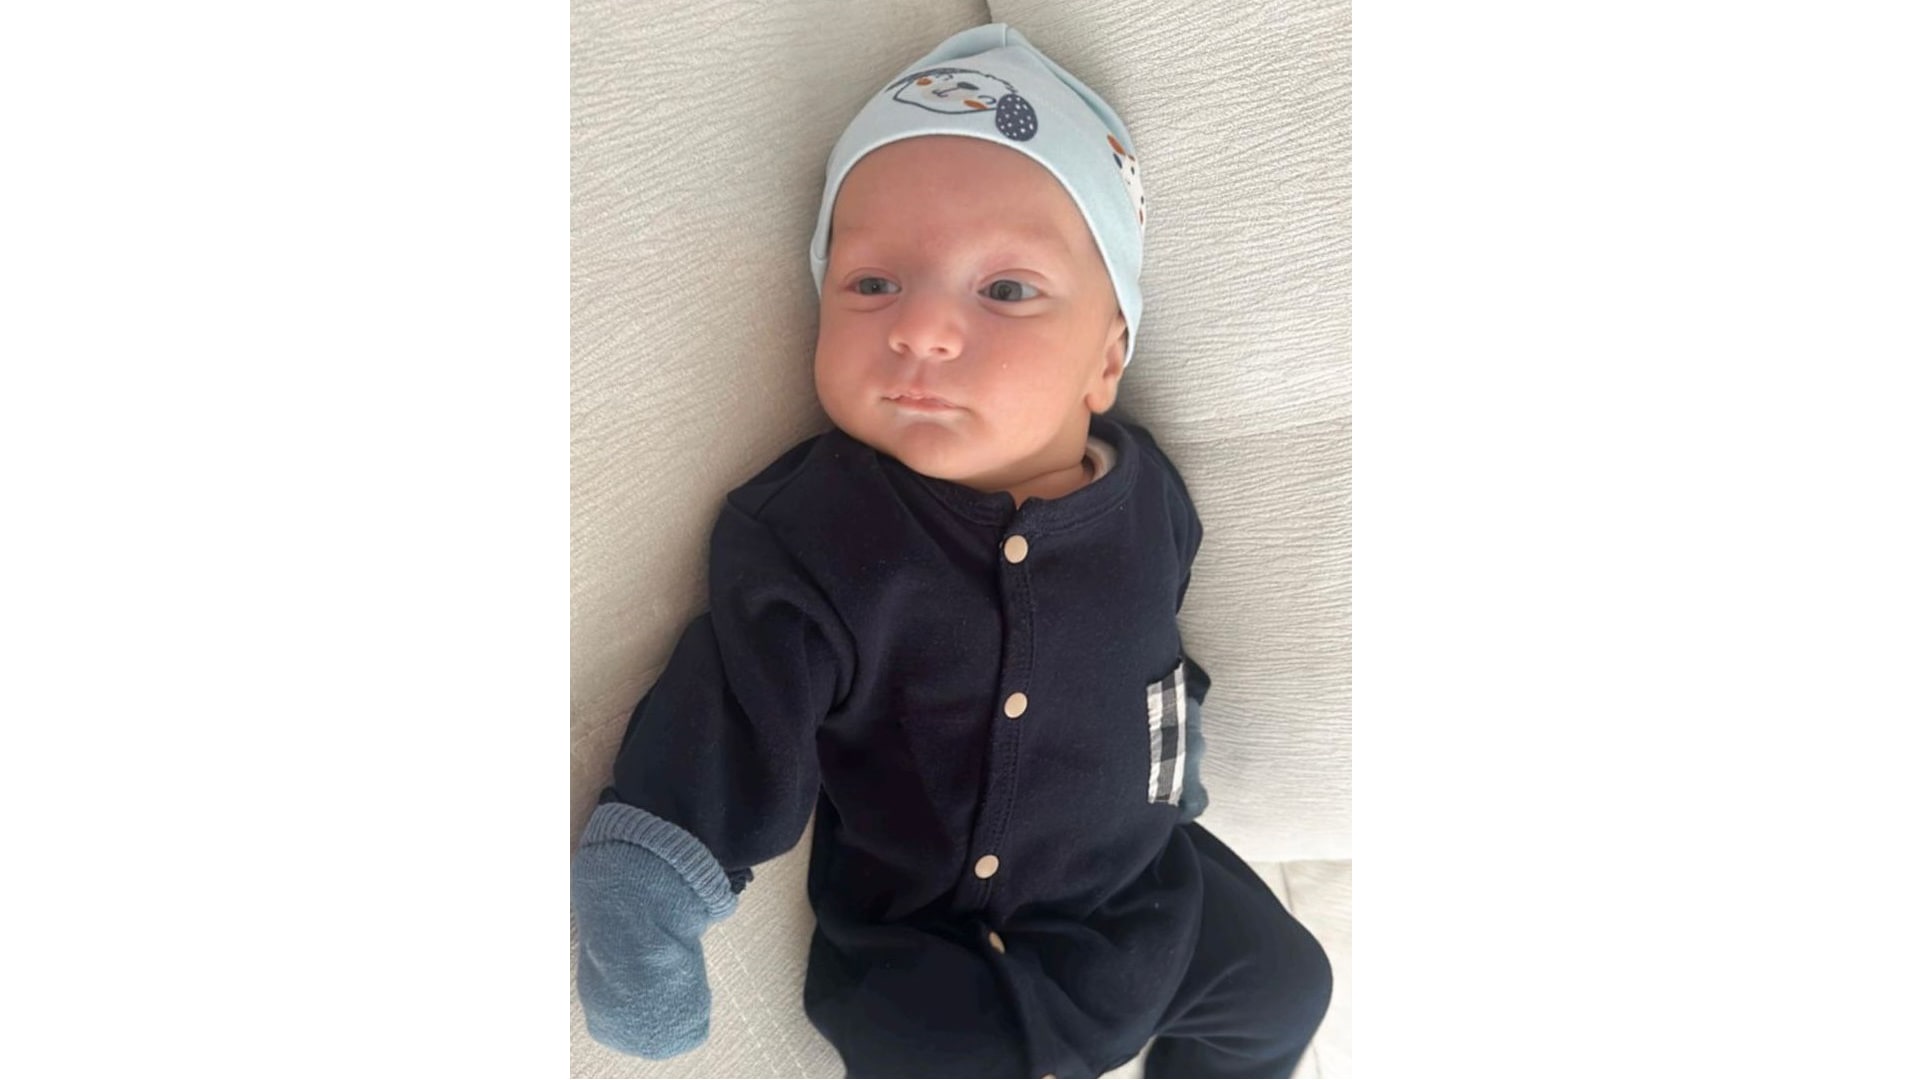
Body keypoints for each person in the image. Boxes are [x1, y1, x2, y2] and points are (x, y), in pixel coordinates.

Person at [572, 23, 1332, 1078]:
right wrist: (643, 894)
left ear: (1106, 359)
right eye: (872, 285)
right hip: (939, 953)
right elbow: (735, 712)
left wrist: (1174, 776)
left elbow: (1159, 663)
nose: (921, 329)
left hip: (1151, 886)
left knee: (1288, 985)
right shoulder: (822, 531)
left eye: (1006, 290)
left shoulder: (1151, 499)